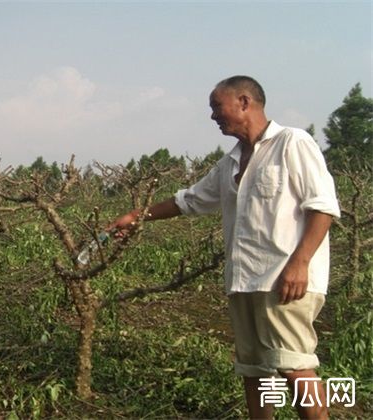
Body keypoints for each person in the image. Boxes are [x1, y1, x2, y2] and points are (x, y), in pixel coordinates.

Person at [111, 75, 340, 419]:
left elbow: (323, 207)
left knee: (294, 366)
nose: (213, 116)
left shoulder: (292, 142)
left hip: (284, 279)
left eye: (217, 107)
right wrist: (135, 216)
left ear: (245, 102)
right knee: (253, 369)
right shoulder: (230, 162)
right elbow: (188, 201)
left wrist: (300, 264)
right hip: (244, 281)